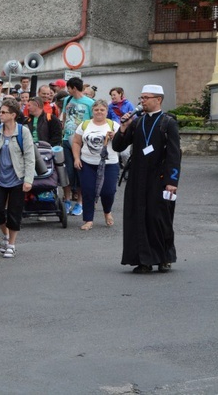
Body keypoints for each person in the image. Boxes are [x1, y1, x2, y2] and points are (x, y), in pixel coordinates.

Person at [112, 85, 180, 274]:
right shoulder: (137, 121)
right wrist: (123, 128)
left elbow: (174, 154)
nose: (142, 101)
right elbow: (118, 146)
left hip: (159, 178)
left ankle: (164, 257)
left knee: (158, 218)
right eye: (141, 97)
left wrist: (172, 181)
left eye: (146, 98)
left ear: (158, 99)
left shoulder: (168, 123)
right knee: (137, 218)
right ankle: (143, 260)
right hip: (137, 177)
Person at [0, 99, 35, 259]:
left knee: (15, 212)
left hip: (18, 178)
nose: (0, 114)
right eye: (0, 112)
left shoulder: (23, 132)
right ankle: (6, 235)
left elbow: (30, 157)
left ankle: (12, 244)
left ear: (13, 115)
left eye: (3, 112)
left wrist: (28, 179)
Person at [72, 100, 120, 230]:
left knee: (108, 191)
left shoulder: (113, 125)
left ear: (106, 111)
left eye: (102, 110)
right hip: (88, 163)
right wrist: (76, 158)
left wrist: (115, 136)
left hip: (109, 163)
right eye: (96, 110)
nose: (99, 112)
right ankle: (88, 220)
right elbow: (76, 142)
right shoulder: (85, 125)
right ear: (92, 111)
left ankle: (107, 212)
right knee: (88, 191)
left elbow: (121, 144)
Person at [60, 77, 94, 216]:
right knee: (67, 172)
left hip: (82, 142)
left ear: (74, 88)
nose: (67, 90)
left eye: (69, 87)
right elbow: (63, 118)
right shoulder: (67, 101)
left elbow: (93, 122)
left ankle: (80, 202)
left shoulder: (90, 103)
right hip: (66, 140)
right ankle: (67, 200)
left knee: (81, 172)